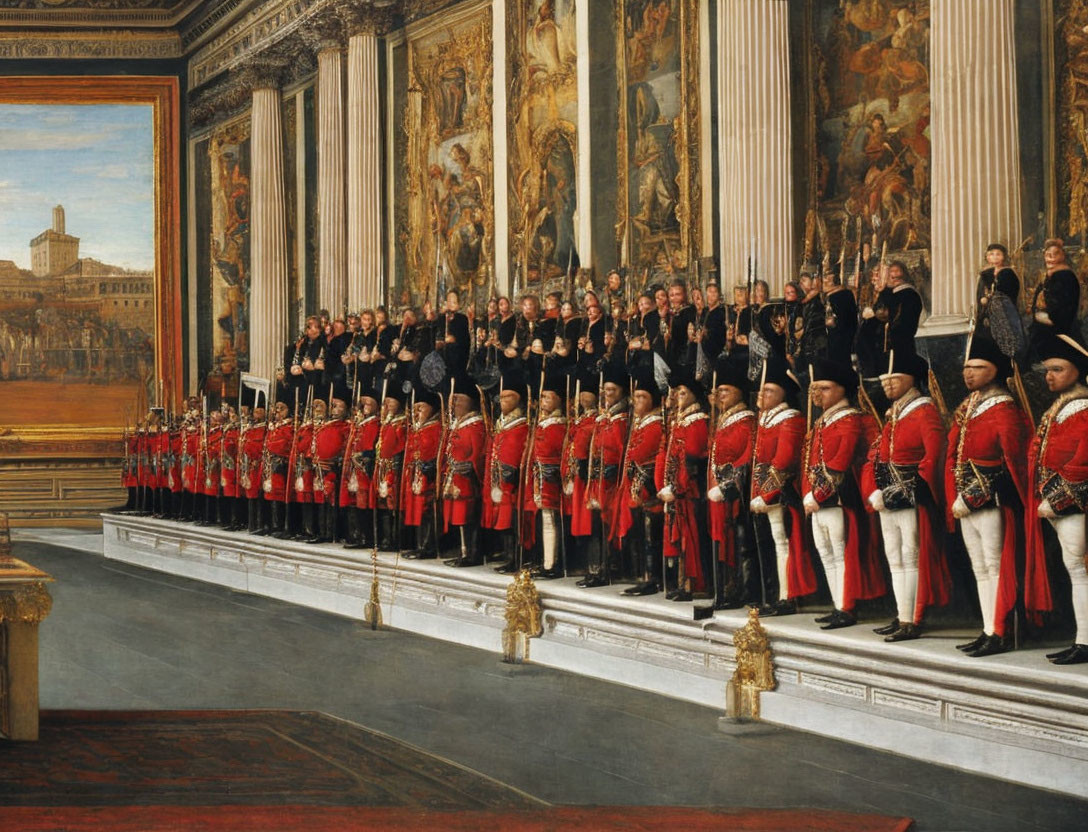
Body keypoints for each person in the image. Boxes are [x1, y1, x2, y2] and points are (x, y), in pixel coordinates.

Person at [945, 337, 1032, 657]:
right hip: (966, 501)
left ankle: (1000, 630)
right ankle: (988, 628)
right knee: (979, 567)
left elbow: (1012, 462)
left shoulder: (1004, 408)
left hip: (991, 501)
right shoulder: (970, 406)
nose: (969, 374)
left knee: (995, 565)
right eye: (966, 368)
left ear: (994, 370)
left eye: (978, 367)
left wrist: (975, 496)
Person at [861, 350, 950, 642]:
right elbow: (878, 453)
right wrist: (877, 488)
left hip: (911, 498)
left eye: (894, 378)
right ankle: (902, 614)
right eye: (885, 379)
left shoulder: (924, 411)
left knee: (911, 556)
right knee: (894, 557)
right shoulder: (894, 414)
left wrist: (902, 492)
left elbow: (933, 456)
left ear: (911, 378)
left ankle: (913, 618)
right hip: (887, 497)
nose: (887, 384)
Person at [801, 360, 885, 630]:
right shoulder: (822, 421)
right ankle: (838, 604)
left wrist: (818, 493)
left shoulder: (850, 418)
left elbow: (840, 461)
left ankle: (847, 607)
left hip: (839, 498)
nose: (818, 394)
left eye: (824, 388)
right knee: (826, 553)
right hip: (818, 498)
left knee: (840, 552)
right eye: (816, 388)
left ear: (841, 390)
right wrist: (808, 493)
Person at [1027, 335, 1088, 664]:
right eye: (1047, 370)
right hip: (1057, 504)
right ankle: (1082, 638)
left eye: (1058, 369)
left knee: (1079, 568)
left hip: (1075, 502)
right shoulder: (1060, 408)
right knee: (1073, 568)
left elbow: (1082, 460)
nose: (1049, 375)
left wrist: (1059, 496)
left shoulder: (1083, 408)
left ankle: (1085, 641)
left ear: (1077, 371)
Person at [749, 356, 813, 615]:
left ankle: (788, 596)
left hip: (781, 492)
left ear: (783, 393)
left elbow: (783, 461)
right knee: (773, 543)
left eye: (769, 390)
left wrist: (767, 494)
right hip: (763, 492)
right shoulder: (765, 418)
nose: (763, 394)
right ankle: (775, 594)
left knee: (783, 542)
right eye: (762, 390)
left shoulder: (790, 419)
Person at [656, 370, 710, 601]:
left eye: (683, 392)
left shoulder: (697, 422)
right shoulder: (677, 421)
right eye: (677, 392)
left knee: (691, 537)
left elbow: (692, 459)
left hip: (690, 491)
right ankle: (681, 583)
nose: (678, 396)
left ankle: (694, 585)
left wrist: (678, 488)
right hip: (676, 490)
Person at [707, 357, 757, 609]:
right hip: (718, 492)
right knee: (724, 541)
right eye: (719, 391)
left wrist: (727, 487)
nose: (721, 395)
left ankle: (745, 590)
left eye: (726, 391)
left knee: (742, 543)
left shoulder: (746, 420)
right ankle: (726, 589)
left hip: (737, 493)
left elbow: (746, 459)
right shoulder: (723, 419)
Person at [614, 370, 665, 596]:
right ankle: (642, 574)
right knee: (641, 535)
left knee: (650, 535)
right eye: (636, 397)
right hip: (637, 485)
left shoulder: (655, 424)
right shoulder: (639, 423)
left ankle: (652, 578)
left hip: (649, 487)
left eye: (643, 397)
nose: (637, 402)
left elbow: (642, 452)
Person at [581, 366, 629, 586]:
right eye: (605, 390)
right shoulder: (604, 418)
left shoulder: (622, 419)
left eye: (612, 390)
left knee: (607, 524)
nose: (607, 394)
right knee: (595, 524)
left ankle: (607, 569)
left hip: (610, 480)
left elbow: (619, 450)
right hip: (596, 478)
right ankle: (594, 568)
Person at [522, 374, 567, 577]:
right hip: (539, 478)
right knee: (544, 519)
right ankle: (546, 560)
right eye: (542, 397)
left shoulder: (558, 425)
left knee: (551, 520)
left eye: (548, 397)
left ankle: (552, 565)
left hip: (551, 479)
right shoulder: (543, 423)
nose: (544, 401)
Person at [482, 374, 529, 570]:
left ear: (517, 399)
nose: (503, 401)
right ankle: (507, 555)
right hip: (499, 478)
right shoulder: (500, 424)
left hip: (513, 480)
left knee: (512, 519)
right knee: (501, 518)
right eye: (501, 397)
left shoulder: (521, 425)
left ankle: (516, 558)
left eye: (507, 397)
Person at [442, 376, 487, 567]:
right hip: (455, 478)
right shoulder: (457, 425)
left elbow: (479, 452)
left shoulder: (476, 426)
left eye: (458, 400)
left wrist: (471, 467)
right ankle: (463, 550)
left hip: (468, 481)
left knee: (468, 518)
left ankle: (472, 553)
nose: (454, 404)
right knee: (459, 518)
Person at [401, 385, 443, 559]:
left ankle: (428, 547)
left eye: (421, 408)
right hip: (415, 475)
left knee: (426, 511)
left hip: (428, 477)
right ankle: (419, 545)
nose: (416, 412)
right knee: (416, 510)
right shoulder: (416, 428)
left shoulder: (436, 427)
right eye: (414, 408)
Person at [341, 390, 380, 549]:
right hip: (354, 468)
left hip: (364, 467)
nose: (364, 406)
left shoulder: (374, 423)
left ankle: (365, 537)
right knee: (353, 500)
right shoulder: (359, 424)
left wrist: (363, 455)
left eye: (367, 403)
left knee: (363, 501)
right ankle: (355, 534)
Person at [309, 396, 351, 544]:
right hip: (320, 467)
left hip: (334, 468)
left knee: (332, 500)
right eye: (334, 406)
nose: (335, 409)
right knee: (321, 499)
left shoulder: (346, 426)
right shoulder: (325, 425)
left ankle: (333, 532)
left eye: (339, 406)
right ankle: (322, 531)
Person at [1030, 239, 1081, 356]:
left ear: (1063, 256)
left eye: (1056, 253)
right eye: (1048, 254)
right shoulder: (1048, 275)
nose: (1051, 257)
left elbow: (1064, 306)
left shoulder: (1065, 276)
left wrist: (1047, 317)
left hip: (1060, 331)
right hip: (1044, 329)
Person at [375, 386, 409, 551]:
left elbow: (402, 446)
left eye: (390, 401)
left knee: (393, 504)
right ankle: (386, 538)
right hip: (383, 467)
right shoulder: (386, 422)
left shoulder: (402, 422)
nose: (387, 404)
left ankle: (396, 539)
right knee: (384, 504)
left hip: (394, 468)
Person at [975, 243, 1022, 354]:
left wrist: (990, 298)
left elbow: (1009, 294)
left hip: (1004, 313)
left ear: (1004, 256)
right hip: (986, 313)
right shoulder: (984, 274)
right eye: (991, 254)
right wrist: (983, 300)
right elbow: (980, 294)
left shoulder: (1007, 272)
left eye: (998, 254)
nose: (995, 257)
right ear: (987, 257)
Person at [262, 400, 295, 539]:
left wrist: (271, 446)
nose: (278, 411)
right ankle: (272, 525)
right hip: (270, 464)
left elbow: (284, 444)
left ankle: (282, 526)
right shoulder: (273, 427)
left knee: (281, 495)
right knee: (271, 494)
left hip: (282, 464)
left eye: (282, 408)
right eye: (277, 408)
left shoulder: (290, 426)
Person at [241, 403, 268, 534]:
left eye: (260, 412)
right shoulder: (250, 429)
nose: (256, 414)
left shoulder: (265, 429)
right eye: (255, 412)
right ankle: (252, 524)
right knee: (251, 493)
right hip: (250, 465)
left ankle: (260, 524)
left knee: (260, 494)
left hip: (260, 464)